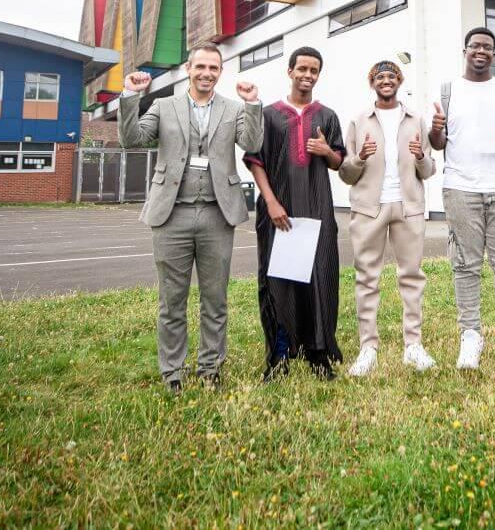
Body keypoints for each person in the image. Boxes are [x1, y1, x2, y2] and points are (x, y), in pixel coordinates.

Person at [118, 43, 264, 395]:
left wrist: (253, 104)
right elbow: (131, 139)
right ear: (188, 67)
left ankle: (210, 368)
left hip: (217, 214)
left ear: (220, 72)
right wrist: (129, 96)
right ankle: (173, 372)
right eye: (201, 67)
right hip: (172, 214)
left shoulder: (232, 108)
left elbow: (252, 143)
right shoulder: (164, 106)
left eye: (214, 68)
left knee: (215, 299)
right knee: (172, 300)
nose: (207, 73)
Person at [428, 27, 495, 372]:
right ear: (465, 50)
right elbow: (438, 142)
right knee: (465, 266)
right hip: (460, 188)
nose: (481, 51)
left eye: (487, 47)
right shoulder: (447, 91)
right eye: (475, 45)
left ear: (494, 53)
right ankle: (470, 336)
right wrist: (435, 128)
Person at [246, 47, 346, 381]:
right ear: (289, 72)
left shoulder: (327, 116)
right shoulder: (269, 114)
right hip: (279, 211)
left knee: (319, 277)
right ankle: (279, 355)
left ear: (319, 75)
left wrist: (325, 150)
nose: (307, 75)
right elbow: (255, 160)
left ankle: (318, 353)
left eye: (314, 70)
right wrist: (271, 202)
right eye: (301, 68)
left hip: (317, 208)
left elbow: (339, 162)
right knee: (278, 281)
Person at [338, 61, 437, 376]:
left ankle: (414, 345)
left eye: (391, 77)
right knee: (367, 278)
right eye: (379, 77)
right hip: (369, 208)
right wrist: (360, 158)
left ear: (399, 81)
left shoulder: (416, 119)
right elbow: (346, 174)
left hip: (408, 207)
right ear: (372, 83)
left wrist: (421, 157)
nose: (386, 81)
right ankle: (368, 347)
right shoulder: (358, 121)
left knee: (411, 276)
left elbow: (429, 169)